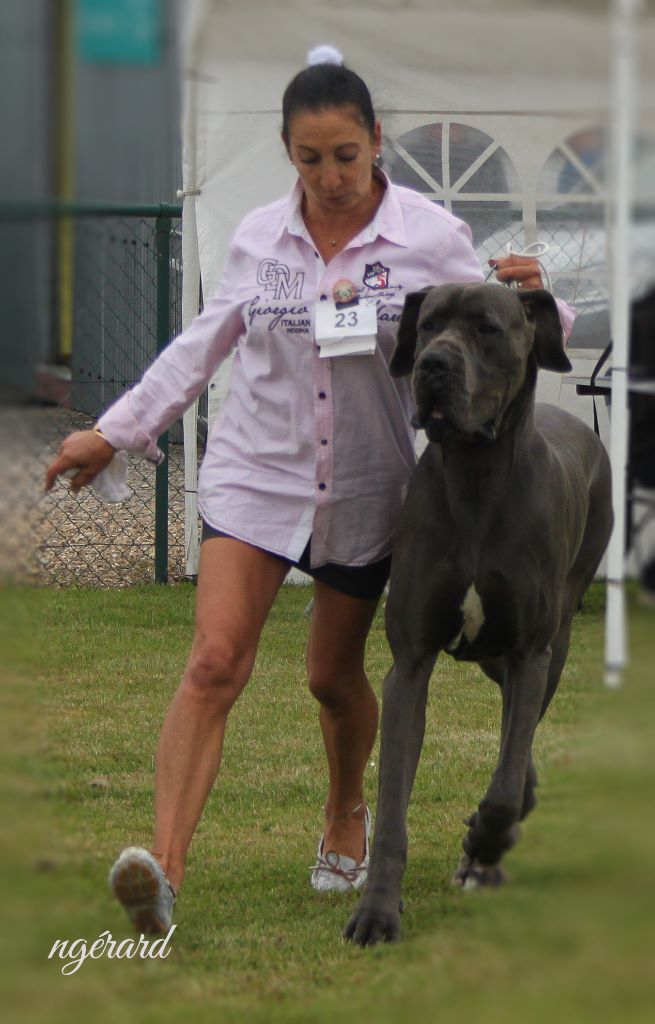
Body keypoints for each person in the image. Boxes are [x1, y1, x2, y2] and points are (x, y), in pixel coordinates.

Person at [45, 46, 574, 935]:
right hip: (259, 470)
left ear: (374, 142)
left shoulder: (429, 236)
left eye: (344, 156)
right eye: (307, 158)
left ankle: (343, 818)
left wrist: (536, 295)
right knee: (214, 660)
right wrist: (115, 429)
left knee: (332, 680)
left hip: (369, 488)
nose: (327, 178)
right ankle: (162, 874)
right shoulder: (259, 238)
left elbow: (495, 324)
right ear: (288, 153)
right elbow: (201, 347)